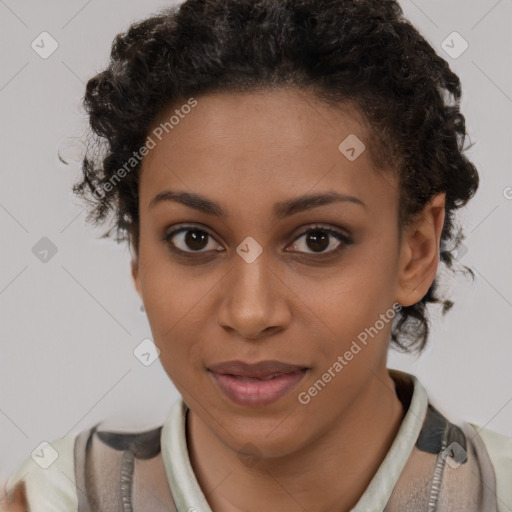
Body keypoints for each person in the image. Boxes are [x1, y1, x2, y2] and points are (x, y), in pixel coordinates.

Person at [2, 0, 511, 511]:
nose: (250, 314)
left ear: (415, 252)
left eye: (317, 240)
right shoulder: (51, 498)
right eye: (193, 239)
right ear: (138, 253)